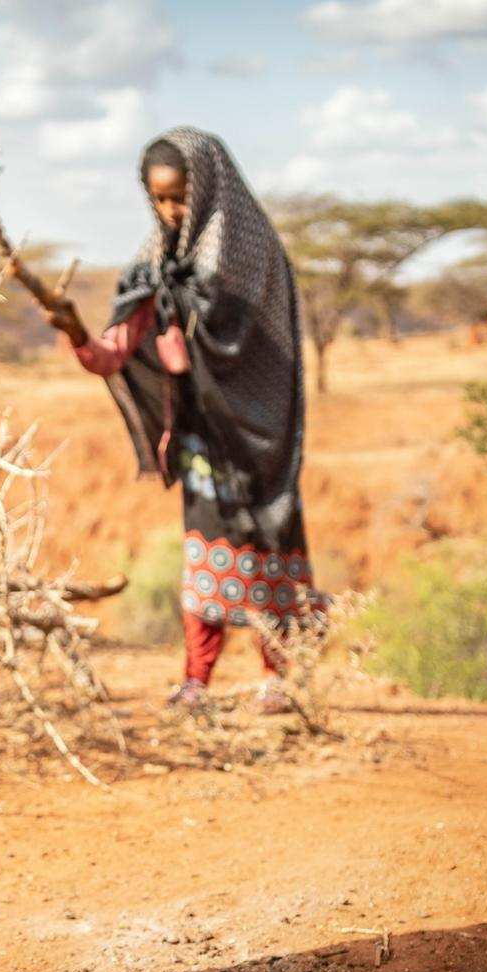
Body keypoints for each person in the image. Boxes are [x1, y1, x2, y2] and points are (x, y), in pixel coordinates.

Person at [48, 129, 315, 713]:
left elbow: (270, 353)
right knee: (206, 559)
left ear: (209, 187)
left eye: (179, 197)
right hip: (203, 441)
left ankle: (281, 678)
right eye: (159, 199)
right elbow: (111, 354)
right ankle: (197, 679)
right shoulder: (155, 263)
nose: (171, 210)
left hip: (259, 439)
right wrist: (74, 329)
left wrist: (193, 348)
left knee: (267, 547)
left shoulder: (253, 257)